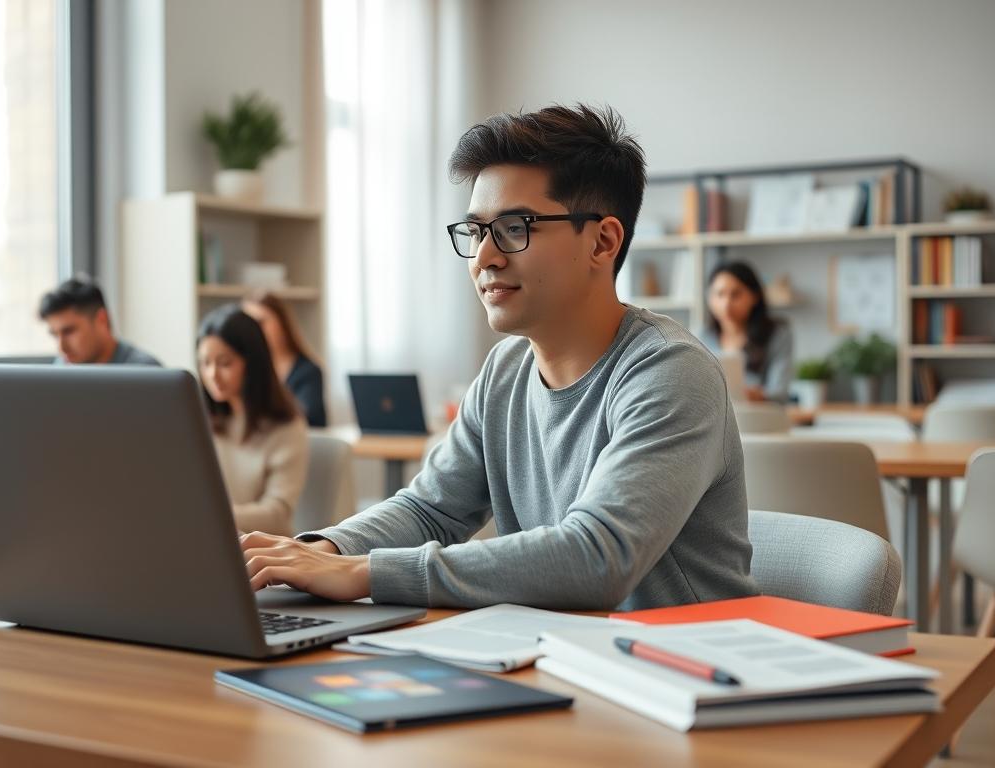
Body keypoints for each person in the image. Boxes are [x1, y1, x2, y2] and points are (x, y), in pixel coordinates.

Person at [240, 104, 758, 611]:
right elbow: (428, 510)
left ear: (603, 241)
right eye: (476, 231)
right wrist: (318, 553)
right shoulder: (505, 369)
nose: (485, 258)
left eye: (515, 228)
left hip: (679, 673)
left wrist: (364, 573)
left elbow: (599, 557)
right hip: (553, 658)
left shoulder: (670, 371)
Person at [197, 304, 309, 536]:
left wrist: (208, 514)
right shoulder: (200, 422)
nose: (212, 375)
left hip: (264, 552)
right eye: (205, 363)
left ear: (252, 363)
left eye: (224, 363)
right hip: (212, 540)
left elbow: (277, 514)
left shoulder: (287, 427)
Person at [700, 262, 793, 403]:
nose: (726, 304)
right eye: (719, 294)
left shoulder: (777, 334)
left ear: (754, 297)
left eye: (735, 295)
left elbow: (780, 392)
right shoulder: (702, 336)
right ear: (710, 298)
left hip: (758, 418)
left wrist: (757, 395)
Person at [242, 290, 327, 427]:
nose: (254, 330)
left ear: (282, 323)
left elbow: (309, 419)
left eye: (260, 322)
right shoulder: (245, 369)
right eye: (248, 325)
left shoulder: (308, 371)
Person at [38, 276, 162, 366]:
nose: (61, 348)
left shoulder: (146, 372)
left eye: (69, 331)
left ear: (101, 320)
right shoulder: (62, 367)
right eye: (55, 335)